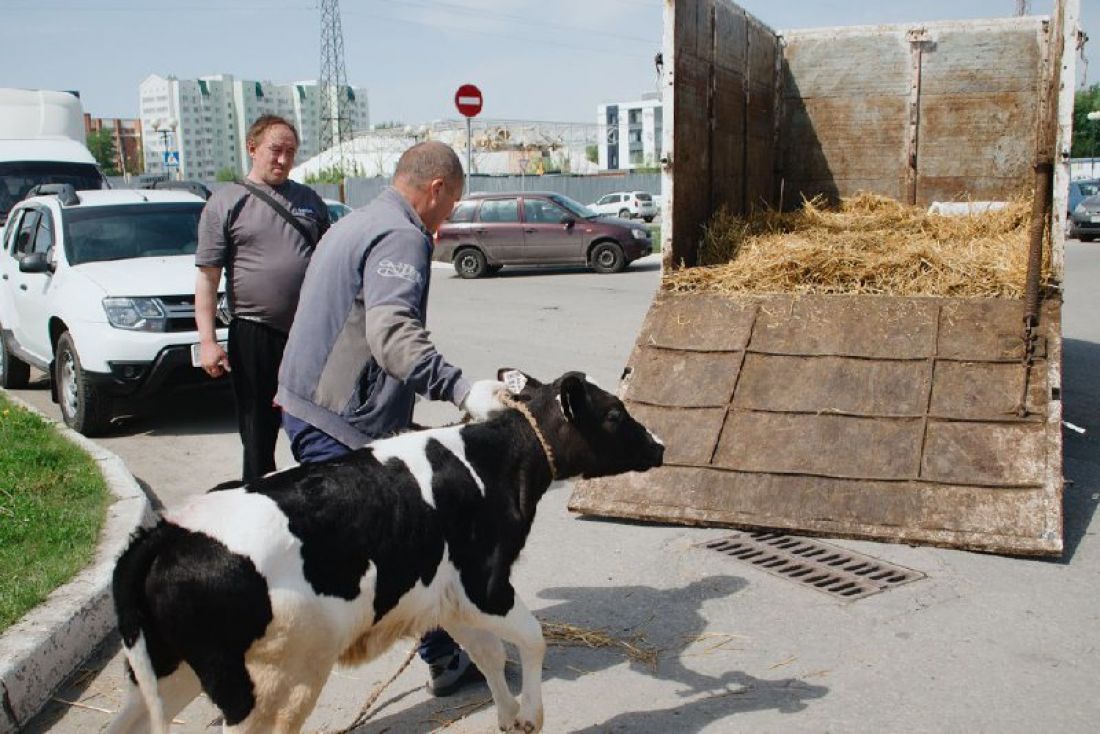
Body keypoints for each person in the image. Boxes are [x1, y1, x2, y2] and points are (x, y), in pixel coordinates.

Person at [276, 140, 506, 697]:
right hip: (338, 419)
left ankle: (445, 654)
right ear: (436, 189)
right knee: (387, 553)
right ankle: (261, 661)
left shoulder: (358, 220)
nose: (448, 219)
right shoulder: (401, 234)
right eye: (451, 206)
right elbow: (391, 334)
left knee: (400, 544)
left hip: (312, 405)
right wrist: (459, 389)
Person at [195, 114, 330, 483]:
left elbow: (332, 262)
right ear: (252, 149)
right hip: (255, 333)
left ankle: (316, 499)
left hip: (307, 334)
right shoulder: (226, 203)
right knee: (258, 431)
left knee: (316, 423)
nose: (283, 160)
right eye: (275, 150)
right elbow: (208, 279)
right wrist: (207, 342)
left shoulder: (309, 200)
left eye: (290, 152)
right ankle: (258, 499)